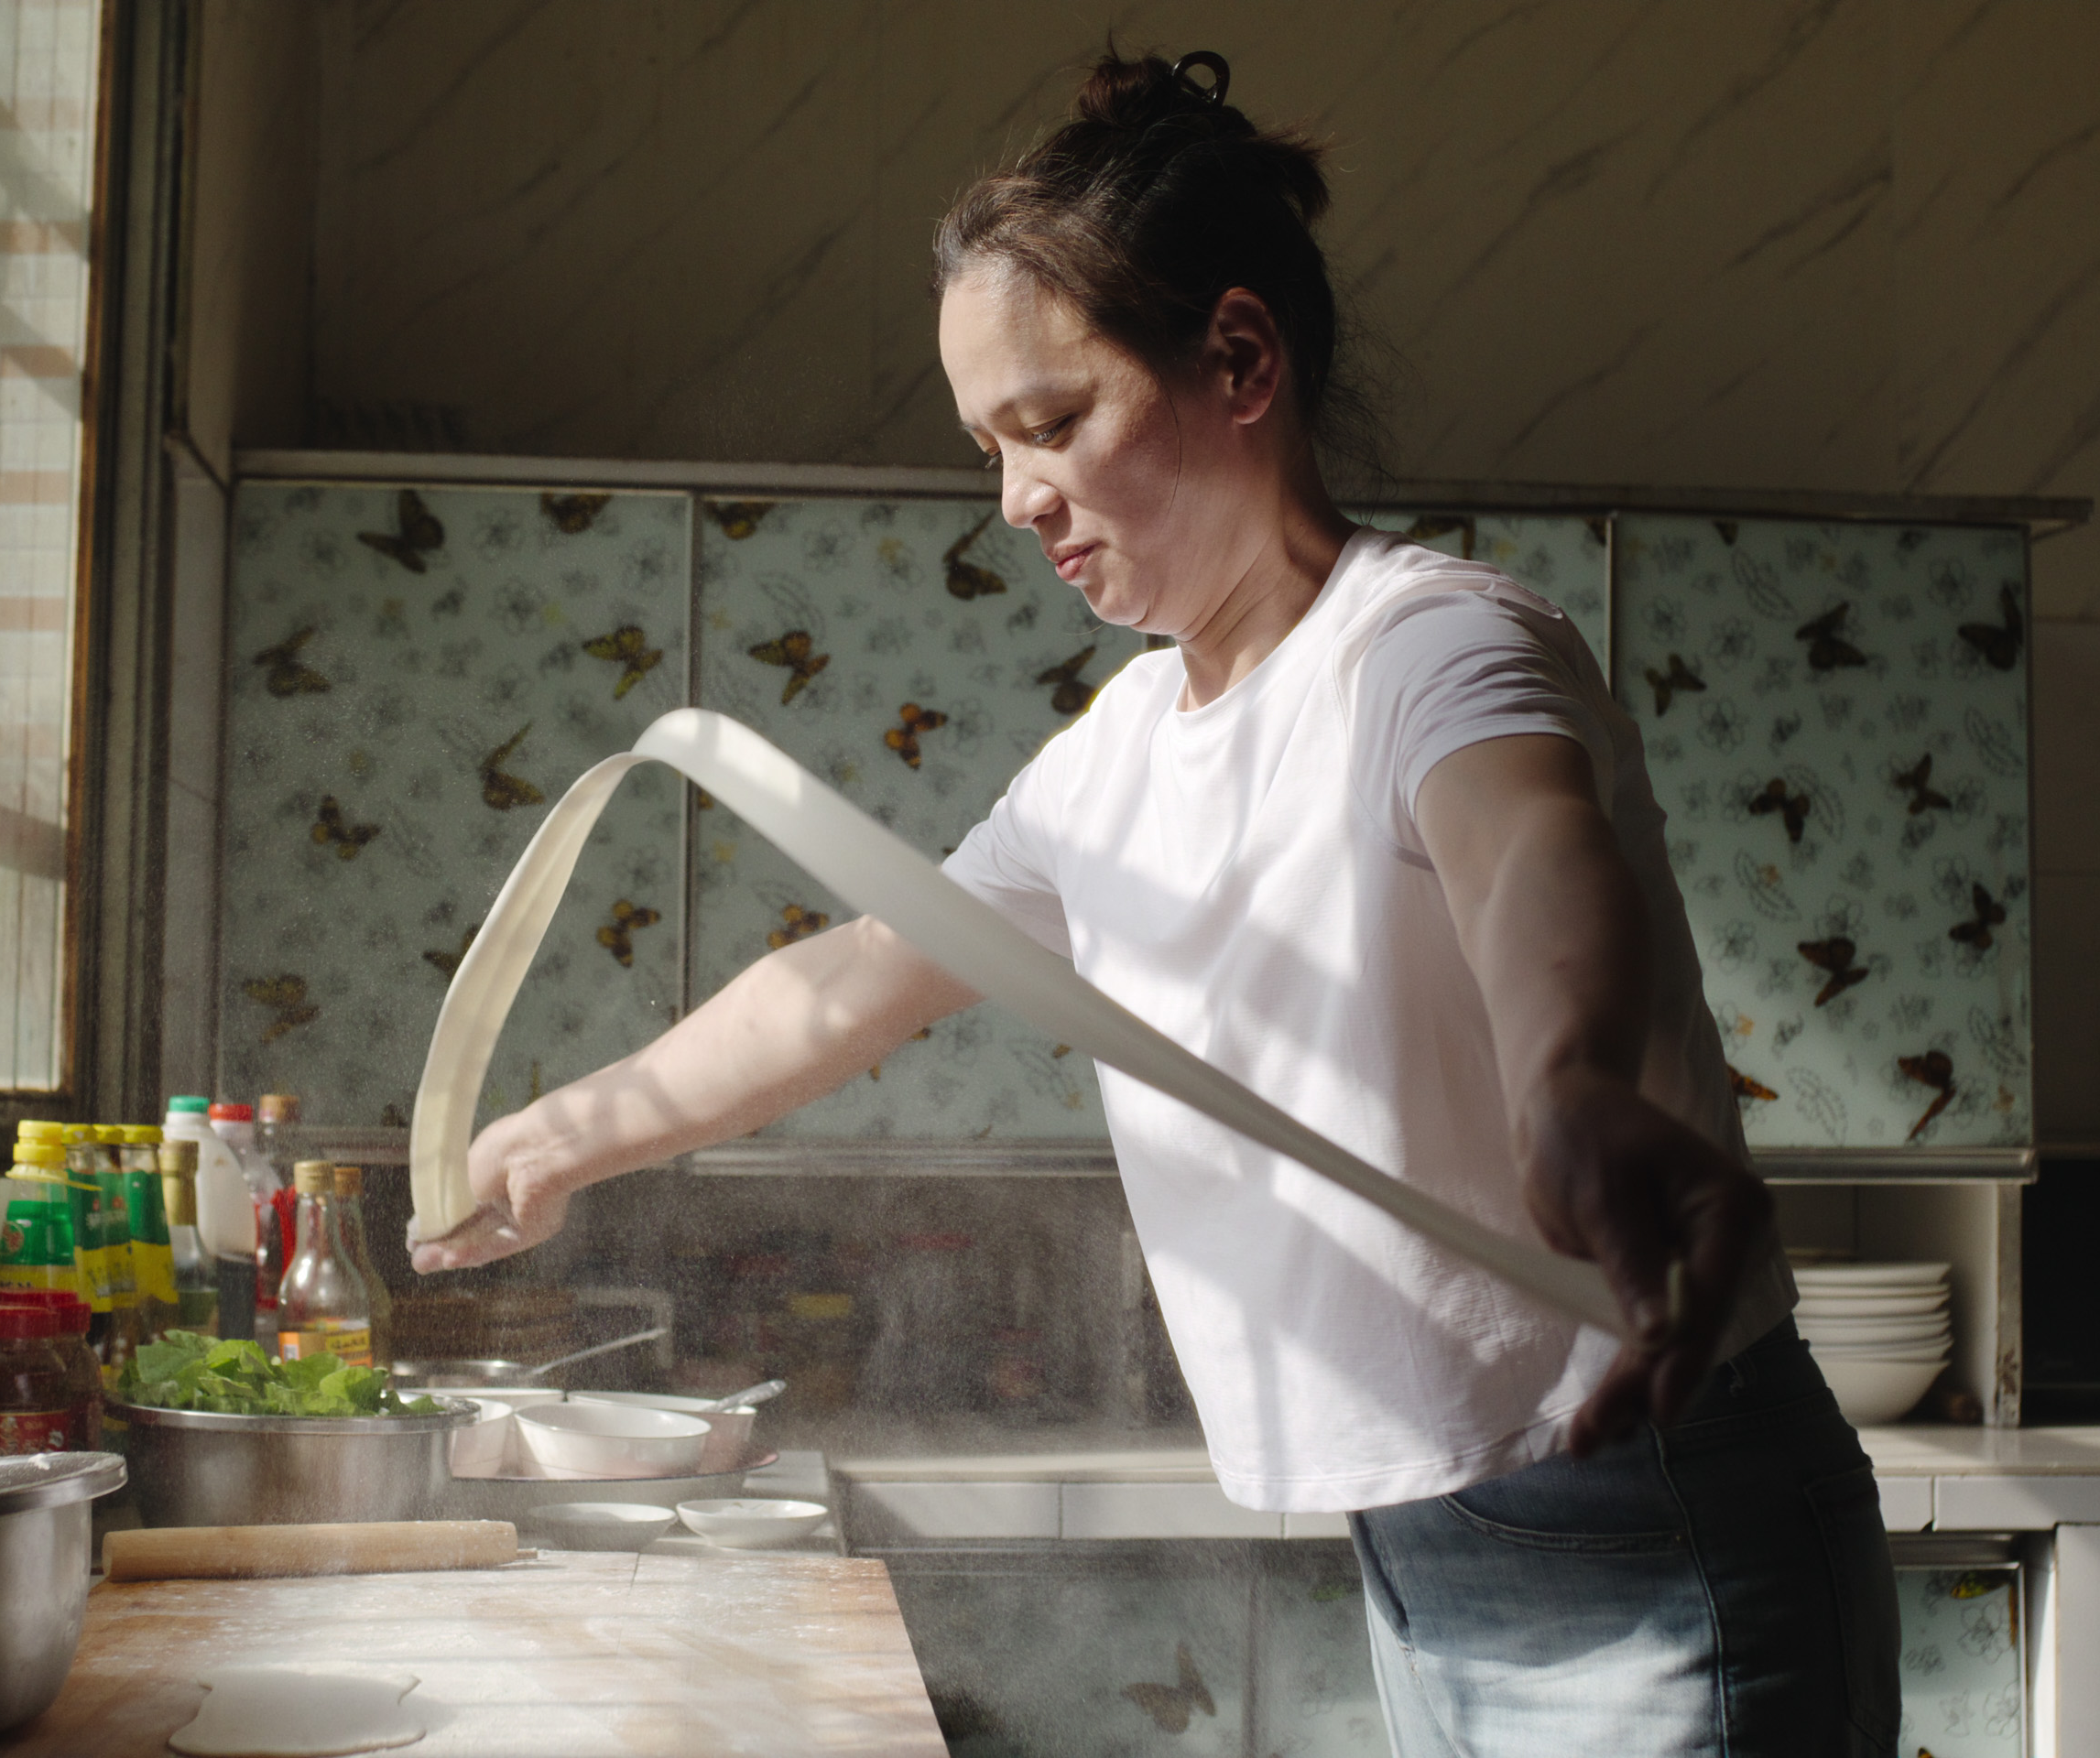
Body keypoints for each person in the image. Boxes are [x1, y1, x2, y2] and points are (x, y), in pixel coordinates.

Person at [411, 46, 1898, 1757]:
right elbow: (857, 981)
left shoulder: (1428, 646)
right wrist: (559, 1137)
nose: (1015, 497)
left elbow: (1529, 849)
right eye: (989, 444)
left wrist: (1568, 1080)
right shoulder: (1112, 761)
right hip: (1444, 1529)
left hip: (1651, 1512)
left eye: (1052, 423)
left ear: (1240, 360)